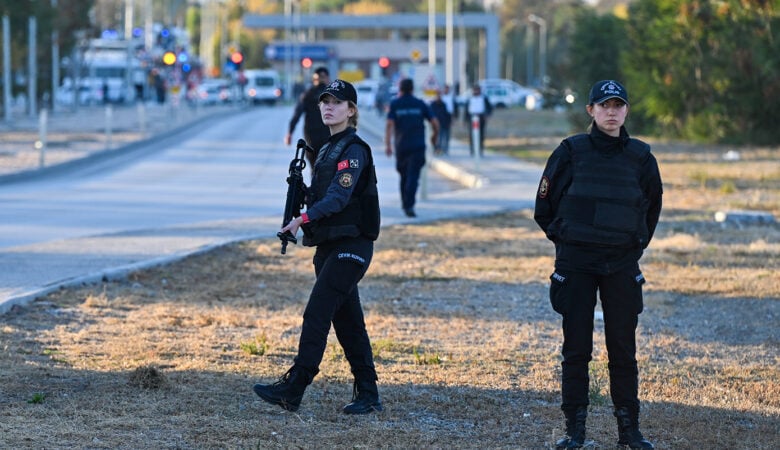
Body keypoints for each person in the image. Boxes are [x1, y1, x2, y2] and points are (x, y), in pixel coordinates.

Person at [534, 80, 662, 449]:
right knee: (576, 349)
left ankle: (629, 431)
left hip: (621, 264)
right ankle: (574, 430)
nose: (611, 112)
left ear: (626, 111)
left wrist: (634, 245)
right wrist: (569, 240)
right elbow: (544, 207)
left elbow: (651, 208)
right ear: (590, 110)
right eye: (604, 105)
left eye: (618, 105)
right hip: (577, 263)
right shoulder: (570, 152)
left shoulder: (641, 157)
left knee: (623, 348)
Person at [253, 79, 383, 415]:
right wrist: (300, 192)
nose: (328, 107)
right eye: (325, 101)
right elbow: (322, 196)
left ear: (351, 111)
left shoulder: (354, 150)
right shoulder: (326, 149)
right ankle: (368, 394)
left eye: (337, 103)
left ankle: (295, 387)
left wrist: (302, 219)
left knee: (317, 312)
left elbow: (339, 198)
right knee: (349, 323)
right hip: (327, 247)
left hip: (351, 246)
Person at [385, 78, 439, 218]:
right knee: (413, 177)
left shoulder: (395, 104)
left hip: (401, 146)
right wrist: (434, 137)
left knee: (404, 176)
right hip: (418, 146)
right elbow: (435, 122)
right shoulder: (420, 104)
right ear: (412, 89)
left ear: (400, 89)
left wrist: (388, 145)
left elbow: (389, 125)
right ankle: (409, 205)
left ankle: (406, 203)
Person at [285, 66, 332, 167]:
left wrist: (290, 133)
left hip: (312, 138)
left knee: (315, 168)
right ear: (328, 79)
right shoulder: (333, 96)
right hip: (328, 137)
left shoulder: (307, 95)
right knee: (328, 168)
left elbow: (296, 115)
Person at [464, 83, 492, 156]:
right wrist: (465, 120)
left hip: (481, 117)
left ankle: (480, 150)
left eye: (477, 90)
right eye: (475, 90)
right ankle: (472, 150)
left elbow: (490, 108)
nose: (476, 91)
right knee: (471, 135)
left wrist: (487, 115)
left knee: (481, 134)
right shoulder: (470, 98)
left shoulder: (484, 98)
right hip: (472, 117)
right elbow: (466, 110)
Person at [429, 86, 456, 155]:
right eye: (437, 95)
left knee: (443, 137)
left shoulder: (444, 104)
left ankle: (442, 150)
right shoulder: (432, 105)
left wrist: (449, 121)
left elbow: (447, 114)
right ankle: (436, 149)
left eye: (439, 95)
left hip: (443, 123)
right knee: (436, 138)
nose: (438, 96)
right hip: (435, 124)